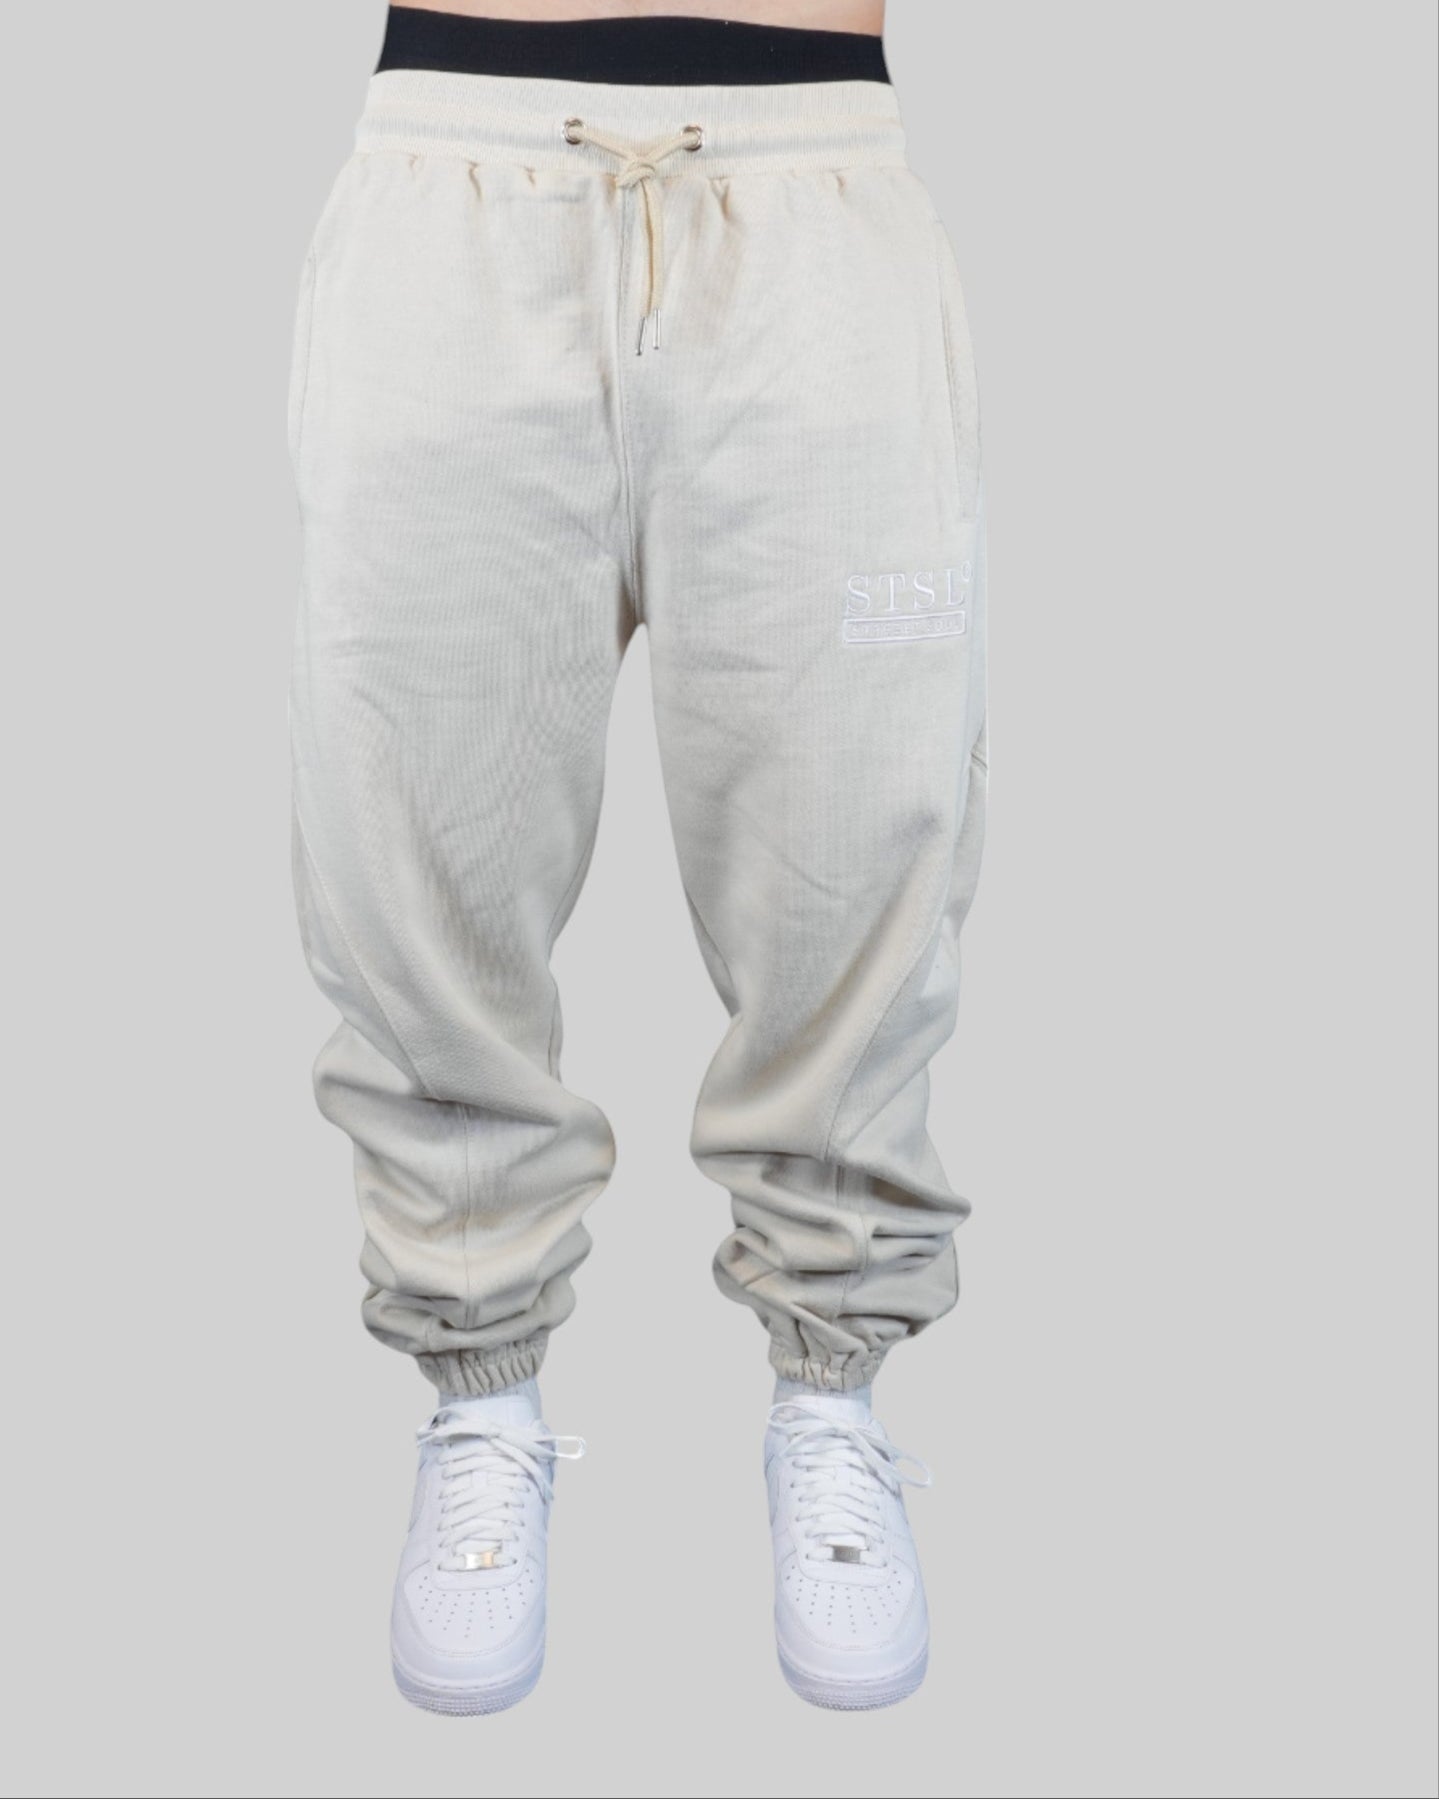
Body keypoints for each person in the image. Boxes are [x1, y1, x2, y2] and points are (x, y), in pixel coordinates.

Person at [288, 0, 986, 1714]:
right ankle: (481, 1400)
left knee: (860, 818)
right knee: (412, 826)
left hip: (817, 196)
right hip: (449, 186)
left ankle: (830, 1400)